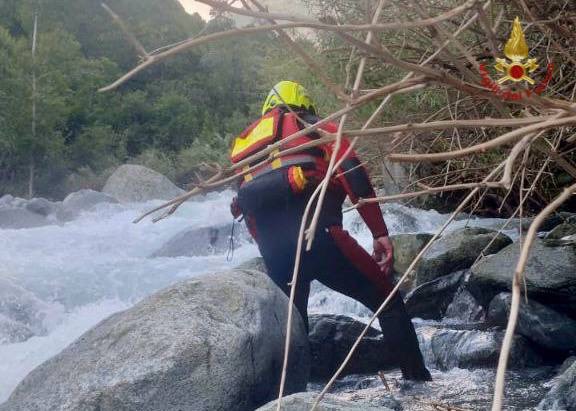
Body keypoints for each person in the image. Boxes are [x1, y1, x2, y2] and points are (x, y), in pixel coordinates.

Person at [229, 80, 431, 381]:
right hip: (322, 239)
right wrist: (379, 232)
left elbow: (248, 212)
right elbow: (353, 173)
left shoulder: (245, 150)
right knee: (388, 304)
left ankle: (292, 399)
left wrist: (269, 250)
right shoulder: (316, 126)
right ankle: (418, 385)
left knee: (294, 329)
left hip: (275, 253)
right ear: (305, 104)